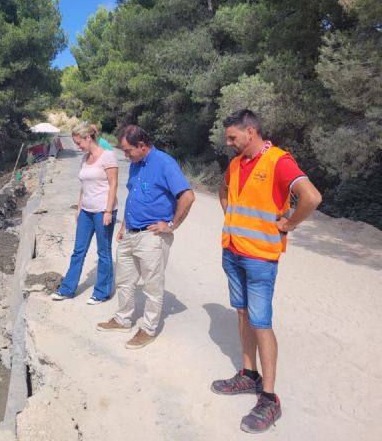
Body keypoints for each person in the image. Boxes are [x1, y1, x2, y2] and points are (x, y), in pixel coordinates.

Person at [211, 109, 322, 433]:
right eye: (227, 137)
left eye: (233, 137)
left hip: (260, 257)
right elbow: (223, 191)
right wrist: (231, 219)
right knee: (243, 314)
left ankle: (270, 399)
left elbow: (312, 197)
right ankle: (249, 375)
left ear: (251, 132)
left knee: (261, 322)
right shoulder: (235, 164)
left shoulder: (278, 160)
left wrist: (288, 222)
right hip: (232, 251)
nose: (228, 142)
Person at [97, 125, 195, 349]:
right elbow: (134, 196)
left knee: (152, 286)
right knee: (124, 281)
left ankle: (149, 329)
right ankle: (123, 319)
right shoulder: (135, 164)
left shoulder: (164, 163)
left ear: (142, 145)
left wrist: (171, 224)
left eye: (128, 150)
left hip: (152, 237)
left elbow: (188, 197)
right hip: (130, 232)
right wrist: (123, 226)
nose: (126, 155)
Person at [50, 123, 118, 304]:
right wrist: (79, 208)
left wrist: (108, 211)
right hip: (86, 211)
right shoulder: (84, 159)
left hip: (103, 211)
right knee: (78, 251)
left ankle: (102, 292)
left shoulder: (108, 157)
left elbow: (113, 185)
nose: (78, 147)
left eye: (79, 143)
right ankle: (67, 289)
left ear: (88, 138)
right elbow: (84, 186)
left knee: (103, 252)